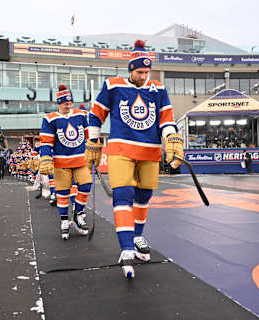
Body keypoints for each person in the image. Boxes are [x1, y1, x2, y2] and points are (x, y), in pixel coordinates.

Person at [86, 40, 184, 279]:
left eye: (147, 72)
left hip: (149, 152)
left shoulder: (158, 89)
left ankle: (137, 234)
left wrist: (171, 138)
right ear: (130, 69)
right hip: (121, 150)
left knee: (143, 196)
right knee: (123, 195)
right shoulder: (112, 86)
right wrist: (94, 140)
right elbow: (95, 115)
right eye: (140, 71)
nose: (144, 76)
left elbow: (166, 120)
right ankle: (126, 247)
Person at [39, 84, 92, 240]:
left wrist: (92, 151)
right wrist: (46, 158)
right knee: (62, 193)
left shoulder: (81, 115)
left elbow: (88, 136)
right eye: (65, 103)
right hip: (61, 162)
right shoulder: (49, 119)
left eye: (70, 103)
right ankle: (64, 221)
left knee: (86, 185)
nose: (68, 106)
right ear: (59, 103)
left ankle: (77, 215)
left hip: (80, 159)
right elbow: (46, 141)